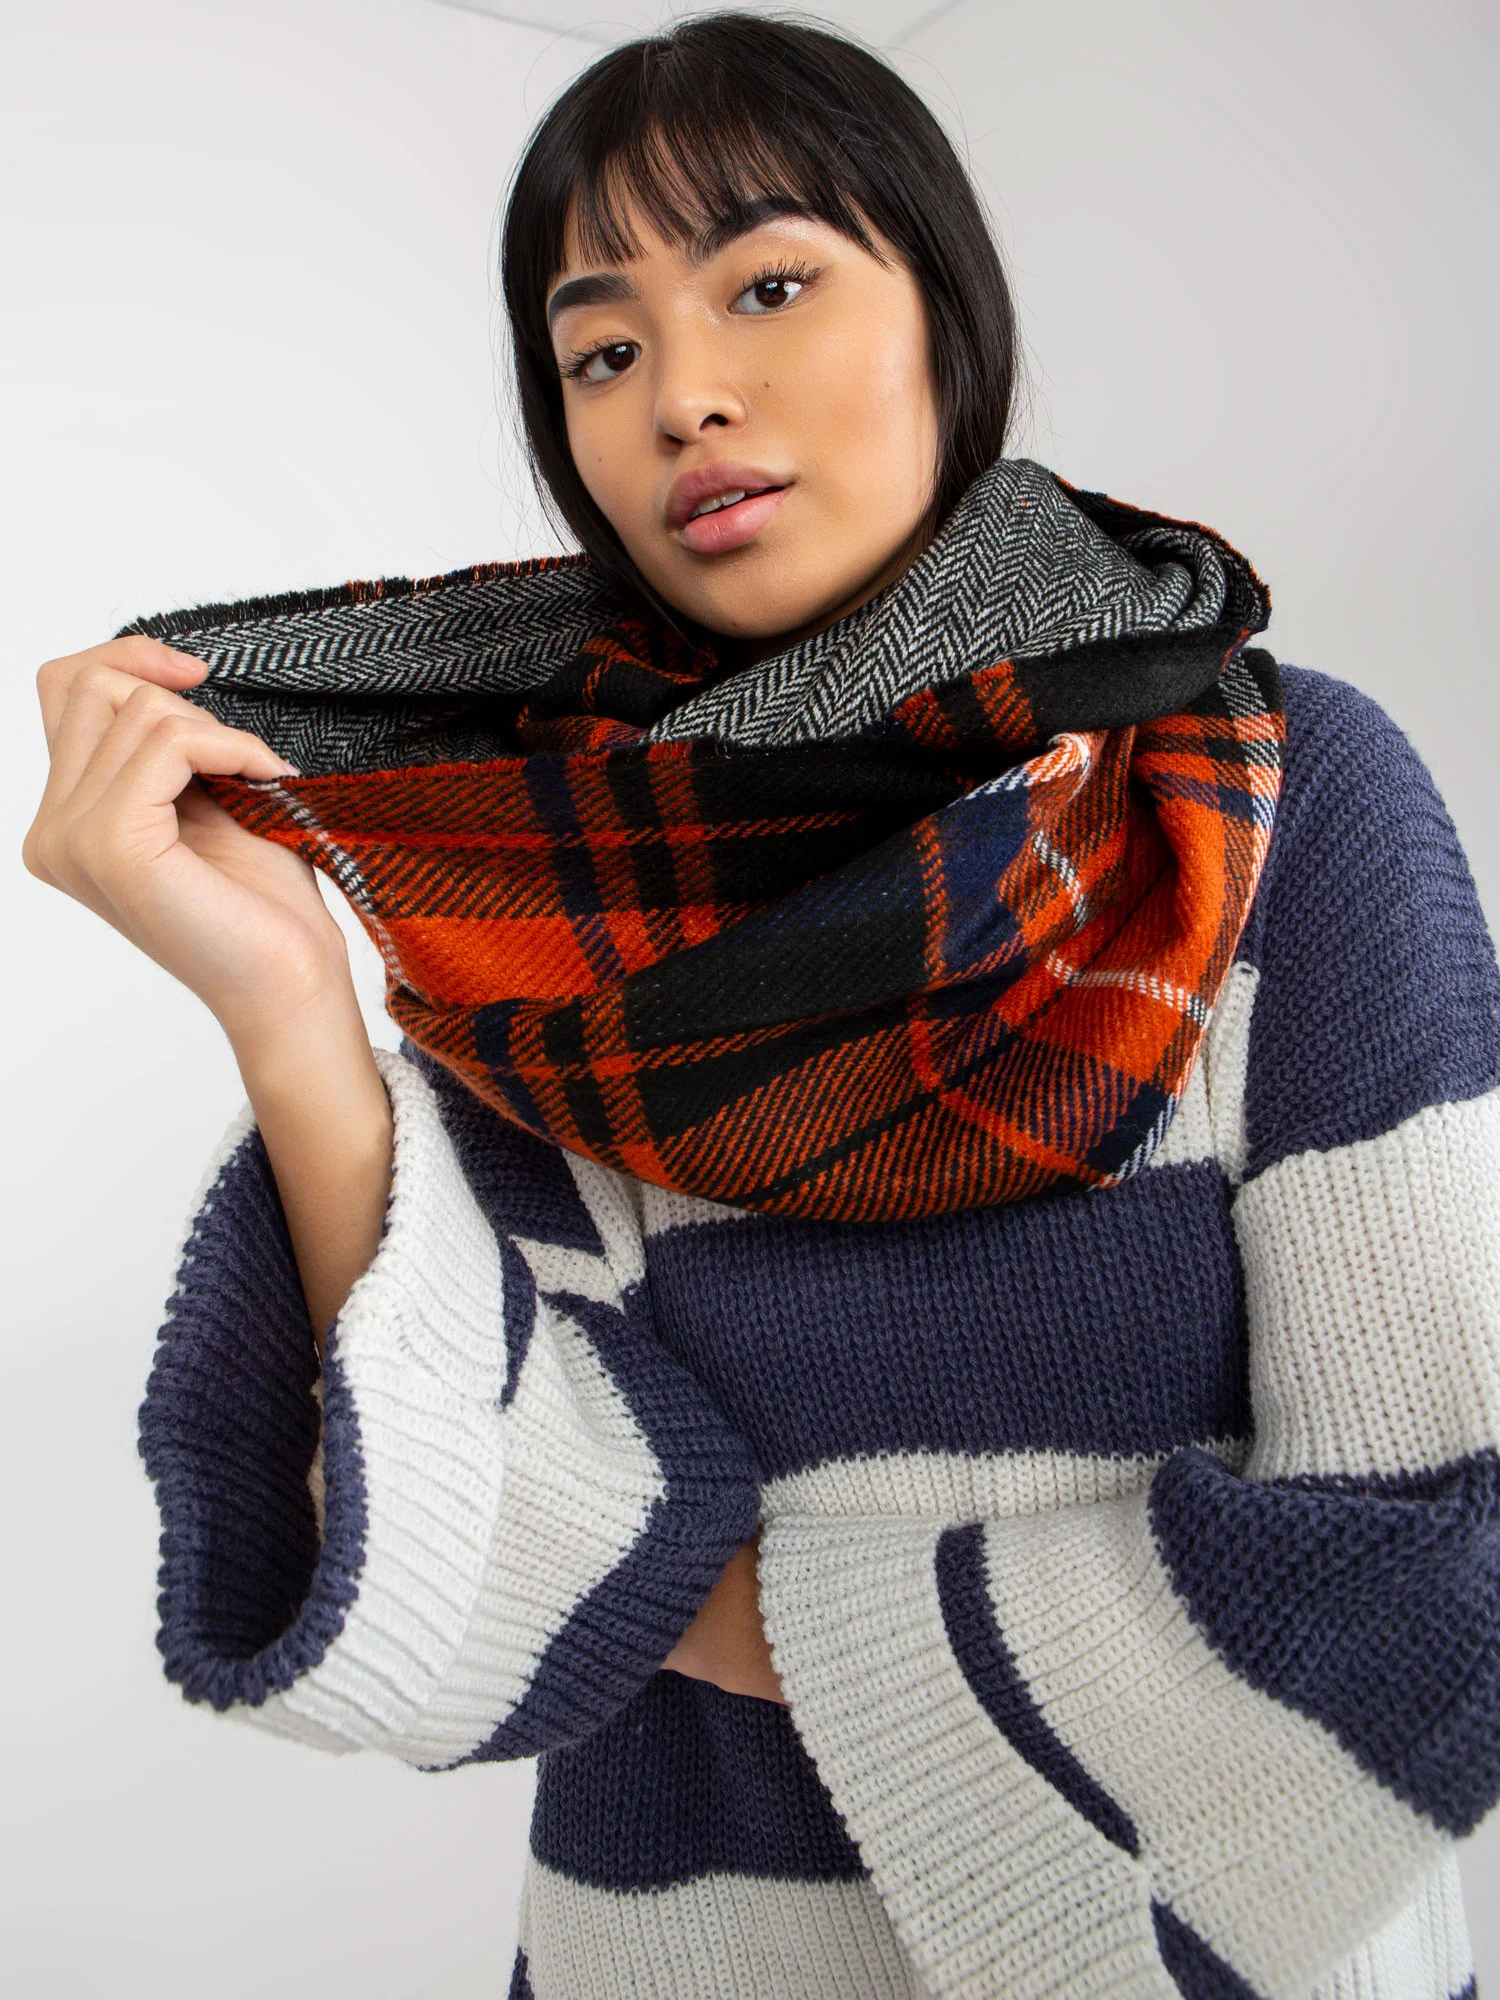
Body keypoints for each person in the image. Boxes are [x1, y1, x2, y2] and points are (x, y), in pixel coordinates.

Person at [22, 15, 1500, 2000]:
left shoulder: (1273, 800)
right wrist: (286, 1005)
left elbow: (1434, 1572)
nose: (683, 396)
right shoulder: (534, 879)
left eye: (771, 287)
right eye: (601, 351)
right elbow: (475, 1569)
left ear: (946, 319)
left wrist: (724, 1594)